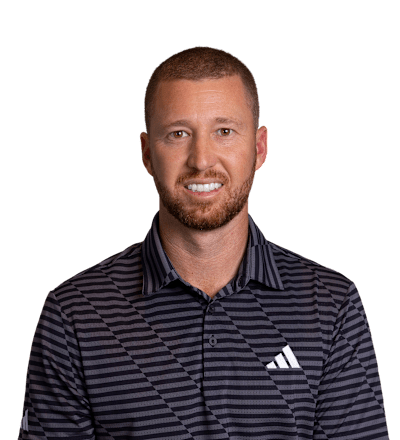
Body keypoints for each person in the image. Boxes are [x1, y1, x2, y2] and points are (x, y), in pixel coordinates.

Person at [18, 46, 389, 439]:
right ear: (146, 153)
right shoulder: (73, 315)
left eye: (224, 131)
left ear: (260, 148)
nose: (201, 159)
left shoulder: (331, 305)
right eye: (178, 134)